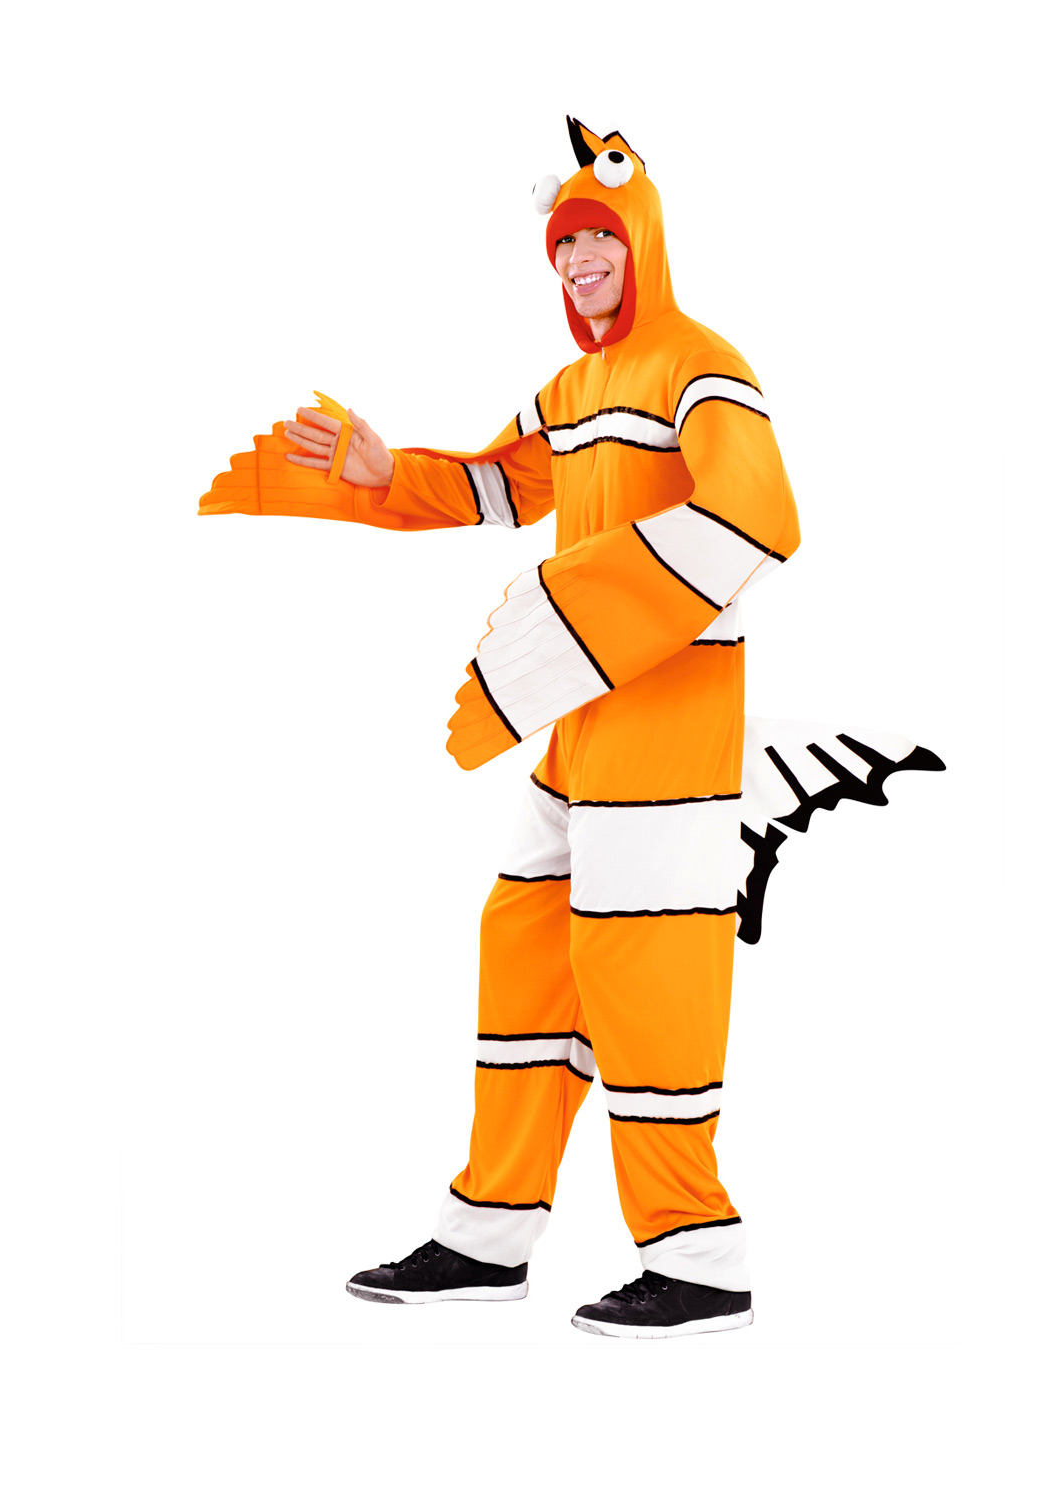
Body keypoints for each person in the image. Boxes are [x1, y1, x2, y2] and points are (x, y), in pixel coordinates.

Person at [199, 117, 942, 1338]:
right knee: (525, 955)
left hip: (669, 733)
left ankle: (698, 1259)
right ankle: (485, 1238)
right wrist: (387, 473)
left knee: (644, 981)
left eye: (597, 239)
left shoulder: (700, 364)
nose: (579, 262)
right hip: (579, 733)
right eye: (562, 247)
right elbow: (501, 483)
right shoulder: (576, 386)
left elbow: (760, 516)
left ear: (640, 239)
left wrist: (569, 608)